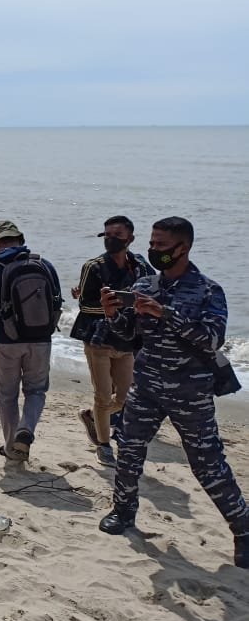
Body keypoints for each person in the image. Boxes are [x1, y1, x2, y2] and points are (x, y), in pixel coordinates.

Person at [98, 217, 249, 567]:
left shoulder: (208, 290)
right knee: (129, 450)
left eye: (162, 246)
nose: (154, 250)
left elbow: (212, 340)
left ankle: (243, 530)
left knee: (207, 464)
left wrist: (167, 314)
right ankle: (123, 510)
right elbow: (128, 335)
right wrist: (112, 314)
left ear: (184, 248)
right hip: (147, 385)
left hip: (190, 391)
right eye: (152, 244)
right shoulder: (145, 285)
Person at [0, 220, 62, 461]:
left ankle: (12, 447)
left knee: (7, 396)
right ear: (20, 240)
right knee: (36, 391)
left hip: (6, 340)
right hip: (41, 340)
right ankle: (27, 429)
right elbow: (56, 302)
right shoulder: (44, 265)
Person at [70, 215, 153, 466]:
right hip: (99, 340)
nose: (110, 239)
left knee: (125, 398)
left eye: (117, 235)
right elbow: (85, 306)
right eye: (107, 235)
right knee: (103, 396)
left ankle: (93, 417)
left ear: (130, 238)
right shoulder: (93, 266)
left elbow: (155, 288)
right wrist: (112, 307)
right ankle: (104, 446)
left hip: (127, 340)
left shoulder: (140, 266)